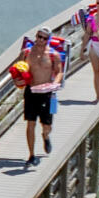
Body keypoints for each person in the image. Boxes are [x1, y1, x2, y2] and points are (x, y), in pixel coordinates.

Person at [17, 29, 62, 164]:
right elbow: (17, 70)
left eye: (44, 38)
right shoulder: (26, 53)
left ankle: (46, 136)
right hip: (31, 91)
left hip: (48, 94)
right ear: (35, 37)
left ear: (48, 39)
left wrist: (55, 83)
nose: (41, 40)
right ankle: (31, 155)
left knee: (47, 125)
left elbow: (59, 72)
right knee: (30, 123)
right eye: (39, 37)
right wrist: (17, 80)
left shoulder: (53, 55)